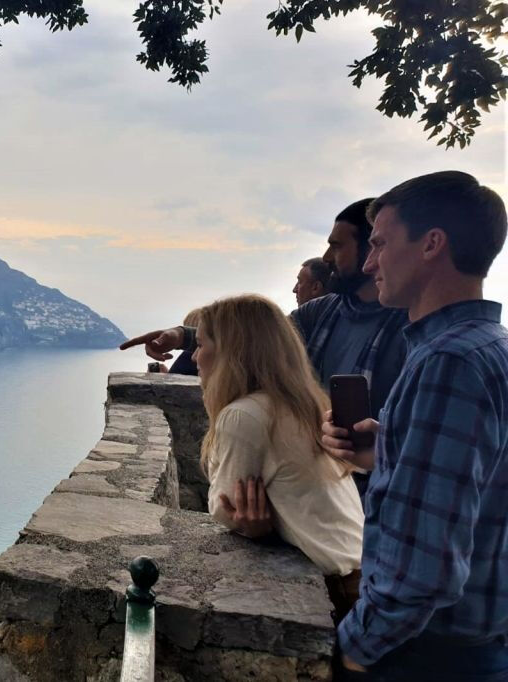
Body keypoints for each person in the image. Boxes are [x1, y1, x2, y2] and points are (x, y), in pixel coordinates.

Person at [322, 171, 508, 681]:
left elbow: (426, 572)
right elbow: (483, 490)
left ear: (431, 244)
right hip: (477, 642)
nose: (369, 263)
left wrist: (352, 651)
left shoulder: (448, 362)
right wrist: (387, 453)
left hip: (425, 654)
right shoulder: (491, 347)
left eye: (380, 243)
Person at [122, 199, 409, 496]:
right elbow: (257, 339)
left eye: (336, 247)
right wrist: (181, 335)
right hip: (315, 485)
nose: (325, 257)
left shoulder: (409, 326)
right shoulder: (322, 312)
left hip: (376, 492)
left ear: (372, 249)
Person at [196, 294, 363, 621]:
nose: (194, 356)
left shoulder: (245, 416)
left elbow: (225, 507)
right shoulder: (306, 404)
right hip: (361, 575)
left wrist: (252, 524)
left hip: (336, 594)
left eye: (201, 344)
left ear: (230, 352)